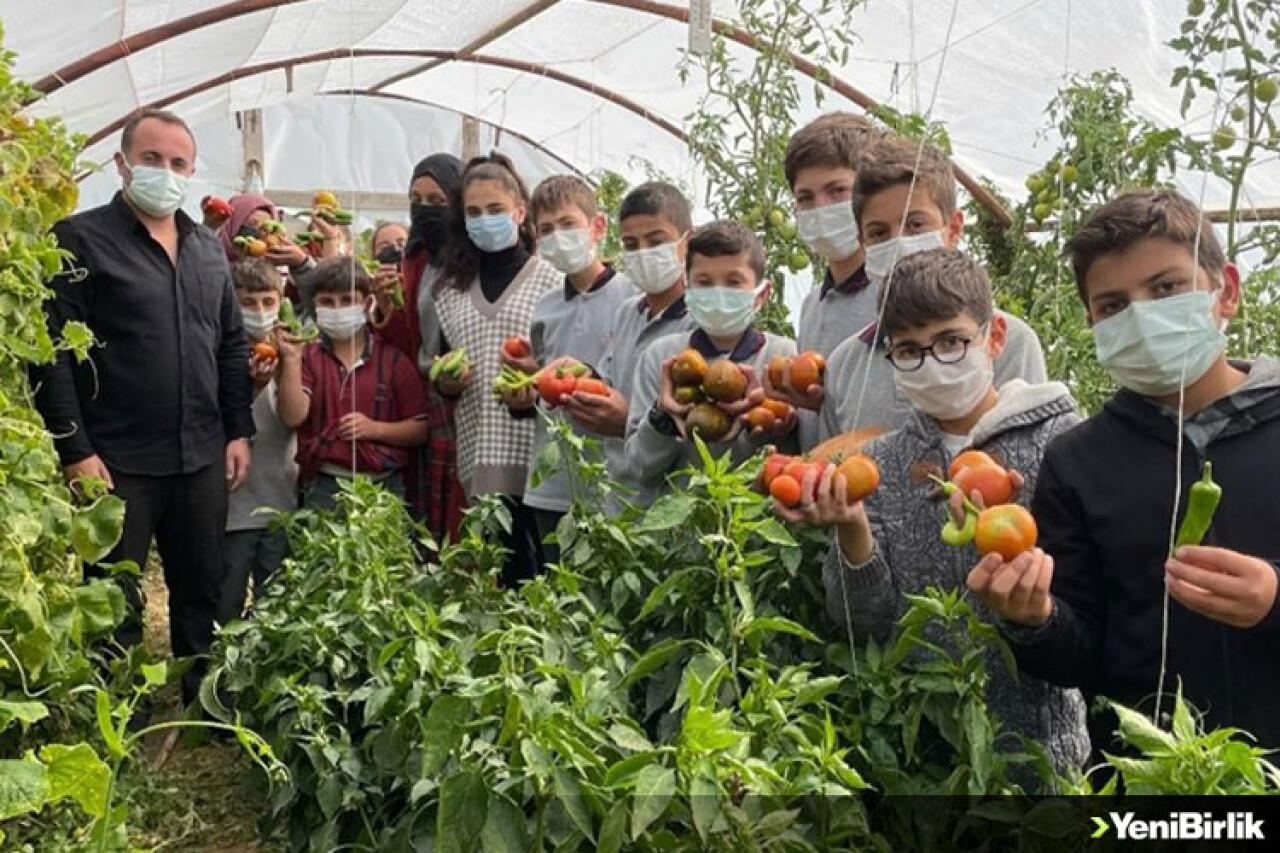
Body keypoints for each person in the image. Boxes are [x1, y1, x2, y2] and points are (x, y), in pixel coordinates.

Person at [967, 190, 1280, 754]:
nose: (1141, 315)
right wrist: (1034, 619)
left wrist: (1275, 596)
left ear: (1226, 290)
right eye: (1113, 305)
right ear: (1091, 321)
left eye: (1166, 288)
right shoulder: (1079, 462)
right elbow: (1080, 653)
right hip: (1147, 776)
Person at [784, 247, 1088, 776]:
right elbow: (861, 623)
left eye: (950, 341)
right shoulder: (879, 463)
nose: (932, 363)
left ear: (993, 337)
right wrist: (852, 528)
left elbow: (1091, 616)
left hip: (1037, 755)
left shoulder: (1061, 446)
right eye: (909, 351)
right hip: (921, 758)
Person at [32, 109, 253, 701]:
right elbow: (51, 353)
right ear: (123, 163)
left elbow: (230, 343)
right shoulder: (79, 240)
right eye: (152, 159)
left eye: (178, 163)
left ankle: (201, 699)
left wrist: (239, 430)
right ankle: (114, 710)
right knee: (112, 593)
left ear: (191, 171)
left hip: (201, 450)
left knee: (200, 584)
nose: (166, 172)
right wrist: (74, 449)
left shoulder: (207, 249)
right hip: (118, 456)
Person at [819, 136, 1047, 442]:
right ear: (862, 245)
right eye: (878, 233)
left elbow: (1029, 449)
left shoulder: (1008, 342)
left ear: (952, 229)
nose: (898, 242)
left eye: (915, 225)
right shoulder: (846, 365)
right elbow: (828, 461)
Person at [431, 153, 561, 585]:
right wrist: (448, 383)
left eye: (495, 210)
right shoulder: (449, 292)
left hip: (541, 457)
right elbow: (443, 365)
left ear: (520, 213)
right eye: (473, 212)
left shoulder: (551, 280)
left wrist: (536, 384)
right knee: (499, 581)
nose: (484, 220)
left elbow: (569, 365)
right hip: (479, 454)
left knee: (545, 576)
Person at [500, 175, 636, 562]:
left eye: (568, 224)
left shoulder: (631, 297)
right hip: (552, 479)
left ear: (597, 227)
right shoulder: (544, 308)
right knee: (558, 593)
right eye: (546, 229)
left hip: (612, 478)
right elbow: (544, 390)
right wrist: (522, 391)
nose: (558, 236)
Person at [624, 220, 797, 497]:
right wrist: (663, 417)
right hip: (678, 529)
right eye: (704, 283)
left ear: (761, 294)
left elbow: (798, 462)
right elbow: (639, 468)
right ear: (687, 288)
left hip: (755, 527)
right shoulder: (661, 357)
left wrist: (770, 428)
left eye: (734, 282)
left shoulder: (782, 358)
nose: (718, 292)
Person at [769, 112, 884, 449]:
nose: (821, 208)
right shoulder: (814, 304)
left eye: (837, 191)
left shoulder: (894, 294)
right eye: (806, 198)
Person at [276, 258, 429, 510]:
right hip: (325, 483)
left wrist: (375, 429)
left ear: (367, 303)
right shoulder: (308, 357)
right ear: (315, 305)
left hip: (383, 485)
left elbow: (421, 428)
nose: (338, 308)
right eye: (327, 302)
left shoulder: (393, 360)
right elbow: (292, 416)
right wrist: (291, 360)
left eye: (347, 301)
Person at [372, 153, 469, 548]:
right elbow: (405, 337)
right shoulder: (415, 260)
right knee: (429, 504)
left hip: (472, 392)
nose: (425, 210)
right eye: (416, 199)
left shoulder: (475, 258)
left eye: (437, 200)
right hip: (429, 392)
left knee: (465, 502)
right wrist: (385, 305)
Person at [594, 182, 697, 507]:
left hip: (673, 503)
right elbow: (608, 382)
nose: (643, 254)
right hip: (620, 500)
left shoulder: (702, 324)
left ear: (687, 243)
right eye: (631, 244)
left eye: (656, 242)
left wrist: (629, 419)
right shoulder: (628, 312)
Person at [220, 259, 297, 622]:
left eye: (268, 302)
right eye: (248, 303)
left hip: (280, 498)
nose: (260, 312)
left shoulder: (291, 353)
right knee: (226, 599)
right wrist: (250, 388)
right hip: (233, 508)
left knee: (275, 603)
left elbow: (294, 416)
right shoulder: (219, 353)